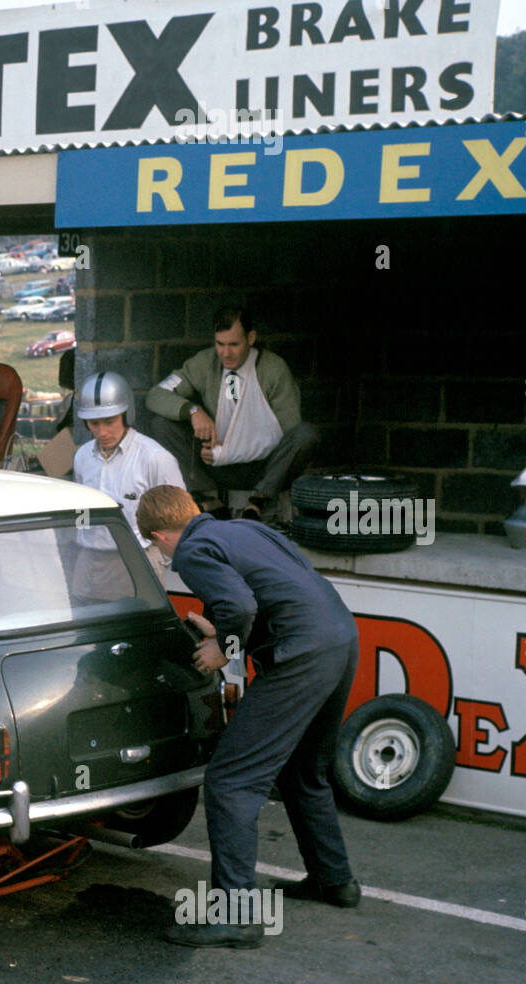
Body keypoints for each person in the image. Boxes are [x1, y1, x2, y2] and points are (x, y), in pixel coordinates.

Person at [137, 485, 361, 949]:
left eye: (156, 545)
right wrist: (223, 629)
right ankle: (334, 880)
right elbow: (272, 591)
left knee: (231, 781)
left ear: (160, 536)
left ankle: (236, 914)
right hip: (340, 638)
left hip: (300, 652)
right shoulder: (244, 528)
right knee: (304, 770)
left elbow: (241, 605)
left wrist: (225, 646)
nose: (161, 553)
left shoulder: (193, 550)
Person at [143, 305, 318, 522]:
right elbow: (155, 395)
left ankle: (258, 501)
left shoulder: (274, 369)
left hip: (263, 470)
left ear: (251, 338)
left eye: (234, 344)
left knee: (306, 434)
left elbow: (289, 432)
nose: (226, 353)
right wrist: (193, 411)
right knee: (161, 424)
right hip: (215, 466)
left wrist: (234, 449)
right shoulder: (205, 363)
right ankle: (208, 497)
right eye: (220, 344)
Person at [71, 370, 183, 597]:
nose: (102, 432)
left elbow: (179, 518)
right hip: (90, 558)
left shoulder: (154, 458)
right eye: (94, 423)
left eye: (109, 422)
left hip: (137, 558)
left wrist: (165, 561)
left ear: (126, 414)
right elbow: (80, 510)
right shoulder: (82, 457)